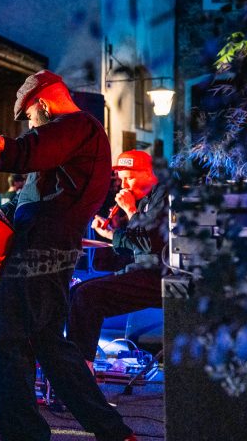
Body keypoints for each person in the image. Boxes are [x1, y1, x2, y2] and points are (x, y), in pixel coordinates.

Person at [0, 69, 136, 441]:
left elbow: (15, 153)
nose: (30, 124)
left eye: (29, 116)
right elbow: (25, 201)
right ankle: (114, 433)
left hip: (42, 252)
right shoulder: (62, 147)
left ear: (43, 104)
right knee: (50, 347)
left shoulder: (77, 127)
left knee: (3, 341)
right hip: (45, 249)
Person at [67, 150, 168, 373]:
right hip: (143, 270)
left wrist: (130, 209)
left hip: (161, 275)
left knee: (87, 296)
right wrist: (111, 234)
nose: (124, 185)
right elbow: (136, 242)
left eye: (129, 178)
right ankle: (76, 366)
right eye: (121, 179)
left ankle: (80, 370)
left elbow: (148, 243)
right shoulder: (146, 200)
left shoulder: (165, 197)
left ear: (150, 173)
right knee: (78, 292)